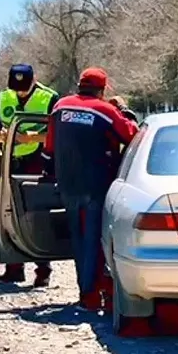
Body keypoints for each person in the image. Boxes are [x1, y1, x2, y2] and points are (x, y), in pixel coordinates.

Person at [42, 67, 139, 309]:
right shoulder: (105, 110)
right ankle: (92, 295)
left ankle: (85, 291)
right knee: (94, 240)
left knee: (78, 239)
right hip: (96, 185)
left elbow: (49, 146)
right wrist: (124, 112)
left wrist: (49, 173)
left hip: (67, 185)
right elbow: (131, 135)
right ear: (103, 89)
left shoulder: (60, 107)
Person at [0, 63, 60, 287]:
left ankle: (43, 270)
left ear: (34, 80)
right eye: (16, 87)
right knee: (8, 211)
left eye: (24, 87)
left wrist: (33, 138)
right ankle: (14, 268)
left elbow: (57, 131)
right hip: (11, 160)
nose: (20, 92)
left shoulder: (49, 97)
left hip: (38, 161)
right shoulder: (4, 97)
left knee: (38, 214)